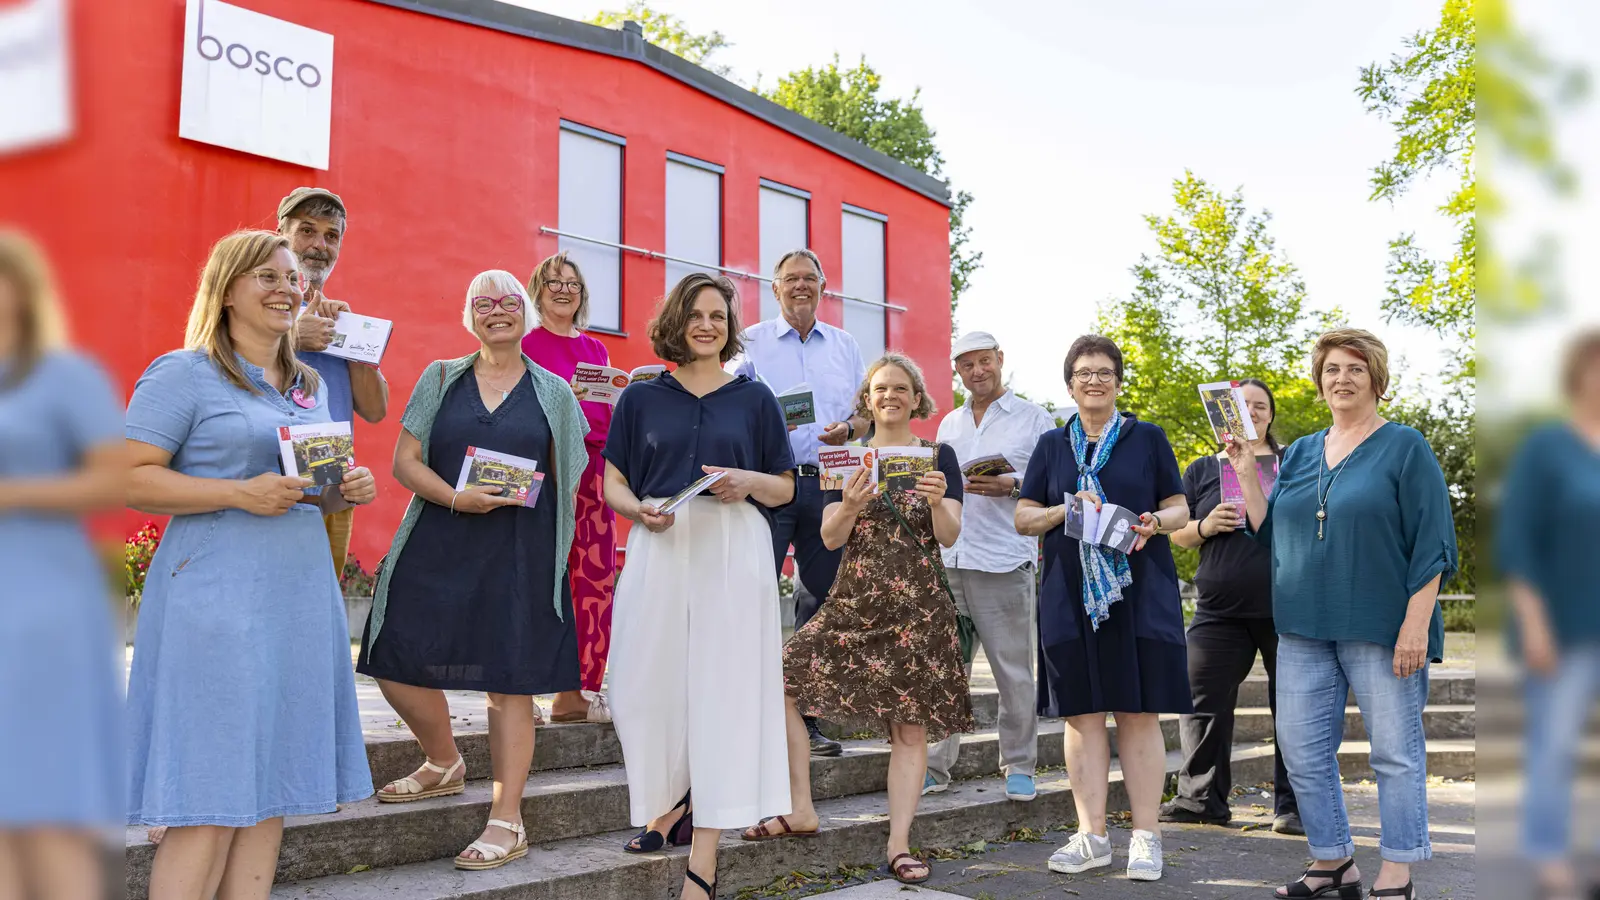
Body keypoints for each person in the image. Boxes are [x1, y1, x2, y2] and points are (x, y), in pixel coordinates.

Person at [124, 229, 376, 899]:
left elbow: (315, 483)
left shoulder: (310, 385)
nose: (287, 289)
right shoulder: (184, 372)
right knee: (208, 793)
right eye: (268, 276)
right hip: (215, 598)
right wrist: (239, 493)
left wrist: (346, 487)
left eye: (293, 278)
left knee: (271, 789)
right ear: (227, 290)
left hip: (297, 598)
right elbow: (130, 477)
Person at [356, 270, 588, 871]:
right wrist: (456, 497)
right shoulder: (439, 377)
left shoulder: (554, 392)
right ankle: (443, 759)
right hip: (438, 537)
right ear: (469, 316)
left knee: (508, 681)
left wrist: (548, 549)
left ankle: (507, 819)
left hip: (517, 550)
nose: (497, 311)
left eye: (508, 301)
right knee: (391, 651)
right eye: (483, 303)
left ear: (525, 312)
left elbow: (568, 478)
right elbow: (406, 461)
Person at [1227, 328, 1456, 900]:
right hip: (1303, 625)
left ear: (1376, 379)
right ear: (1319, 380)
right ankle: (1332, 862)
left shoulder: (1405, 445)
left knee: (1394, 754)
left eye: (1355, 368)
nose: (1342, 378)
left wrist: (1415, 625)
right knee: (1302, 751)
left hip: (1382, 626)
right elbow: (1272, 533)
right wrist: (1248, 472)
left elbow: (1433, 541)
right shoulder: (1303, 451)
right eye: (1331, 369)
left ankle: (1397, 871)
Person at [742, 352, 971, 887]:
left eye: (900, 388)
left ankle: (899, 844)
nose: (890, 396)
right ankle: (801, 808)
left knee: (909, 729)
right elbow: (828, 537)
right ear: (867, 400)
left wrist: (939, 501)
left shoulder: (939, 455)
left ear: (917, 399)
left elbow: (949, 535)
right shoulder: (845, 458)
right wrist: (847, 504)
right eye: (880, 388)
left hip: (918, 609)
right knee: (779, 682)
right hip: (854, 603)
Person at [603, 273, 796, 900]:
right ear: (675, 322)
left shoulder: (755, 398)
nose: (707, 325)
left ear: (730, 326)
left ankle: (703, 859)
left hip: (732, 548)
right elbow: (613, 482)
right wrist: (637, 511)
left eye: (718, 315)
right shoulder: (641, 397)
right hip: (659, 544)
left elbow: (785, 487)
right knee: (640, 687)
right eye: (695, 314)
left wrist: (748, 480)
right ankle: (670, 800)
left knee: (722, 694)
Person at [1013, 334, 1191, 882]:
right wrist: (1063, 510)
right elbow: (1023, 516)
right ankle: (1091, 836)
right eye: (1084, 373)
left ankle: (1146, 838)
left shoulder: (1148, 437)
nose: (1094, 380)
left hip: (1140, 589)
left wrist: (1154, 522)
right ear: (1070, 385)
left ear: (1118, 382)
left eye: (1104, 372)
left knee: (1138, 712)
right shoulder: (1051, 445)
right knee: (1082, 713)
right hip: (1068, 592)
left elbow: (1180, 508)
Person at [0, 232, 127, 900]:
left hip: (42, 603)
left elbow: (114, 479)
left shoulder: (65, 377)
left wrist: (12, 493)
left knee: (47, 804)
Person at [728, 248, 870, 757]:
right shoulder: (748, 342)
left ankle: (805, 718)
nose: (801, 286)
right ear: (775, 288)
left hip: (829, 484)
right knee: (752, 591)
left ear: (823, 287)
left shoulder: (845, 345)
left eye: (810, 278)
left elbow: (866, 416)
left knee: (821, 599)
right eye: (791, 279)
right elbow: (728, 404)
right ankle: (747, 715)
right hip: (770, 483)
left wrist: (848, 428)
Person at [1161, 378, 1301, 834]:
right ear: (1227, 413)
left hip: (1288, 606)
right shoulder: (1202, 469)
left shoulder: (1294, 461)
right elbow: (1177, 533)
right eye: (1244, 405)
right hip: (1218, 608)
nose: (1252, 412)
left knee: (1296, 706)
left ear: (1271, 415)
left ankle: (1296, 807)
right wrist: (1205, 526)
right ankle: (1201, 801)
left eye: (1261, 406)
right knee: (1200, 699)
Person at [923, 331, 1055, 802]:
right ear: (957, 370)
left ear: (1000, 359)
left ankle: (1019, 766)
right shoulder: (949, 424)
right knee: (945, 670)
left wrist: (1012, 485)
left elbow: (1055, 485)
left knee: (1012, 672)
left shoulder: (1034, 419)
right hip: (951, 559)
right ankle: (934, 765)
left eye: (985, 361)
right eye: (967, 364)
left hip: (1004, 560)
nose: (977, 371)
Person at [1500, 329, 1600, 900]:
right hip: (1564, 627)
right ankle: (1550, 860)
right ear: (1577, 375)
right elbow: (1518, 541)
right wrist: (1535, 624)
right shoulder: (1547, 448)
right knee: (1555, 747)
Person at [521, 251, 615, 725]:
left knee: (592, 583)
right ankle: (521, 690)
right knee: (535, 579)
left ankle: (576, 691)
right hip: (546, 471)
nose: (563, 290)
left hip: (595, 474)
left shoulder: (597, 350)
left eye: (572, 283)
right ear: (537, 291)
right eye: (554, 282)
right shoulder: (524, 344)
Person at [278, 187, 389, 581]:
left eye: (331, 235)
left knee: (317, 604)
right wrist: (292, 336)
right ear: (282, 234)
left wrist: (354, 344)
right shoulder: (254, 305)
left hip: (330, 489)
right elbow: (225, 363)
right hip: (267, 486)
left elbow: (375, 410)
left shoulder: (339, 322)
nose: (319, 245)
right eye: (307, 230)